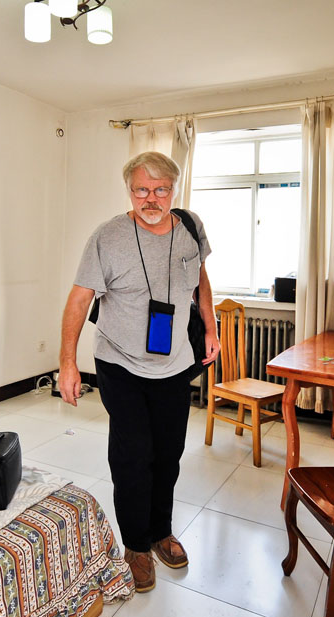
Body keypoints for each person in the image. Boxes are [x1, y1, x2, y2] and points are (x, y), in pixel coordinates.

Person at [58, 151, 219, 593]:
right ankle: (134, 545)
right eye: (141, 190)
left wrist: (210, 325)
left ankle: (160, 532)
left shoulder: (189, 226)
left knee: (168, 454)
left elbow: (201, 276)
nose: (151, 199)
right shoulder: (107, 237)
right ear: (129, 191)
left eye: (161, 189)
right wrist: (68, 363)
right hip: (120, 362)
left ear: (174, 189)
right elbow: (79, 299)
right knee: (133, 457)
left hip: (175, 363)